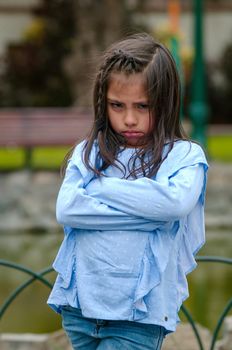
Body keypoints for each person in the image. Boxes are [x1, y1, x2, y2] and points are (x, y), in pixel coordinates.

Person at [47, 32, 208, 350]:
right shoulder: (89, 152)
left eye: (143, 106)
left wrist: (99, 188)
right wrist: (148, 214)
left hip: (138, 316)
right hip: (80, 307)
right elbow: (67, 210)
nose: (129, 119)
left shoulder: (184, 157)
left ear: (165, 102)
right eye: (117, 106)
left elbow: (173, 206)